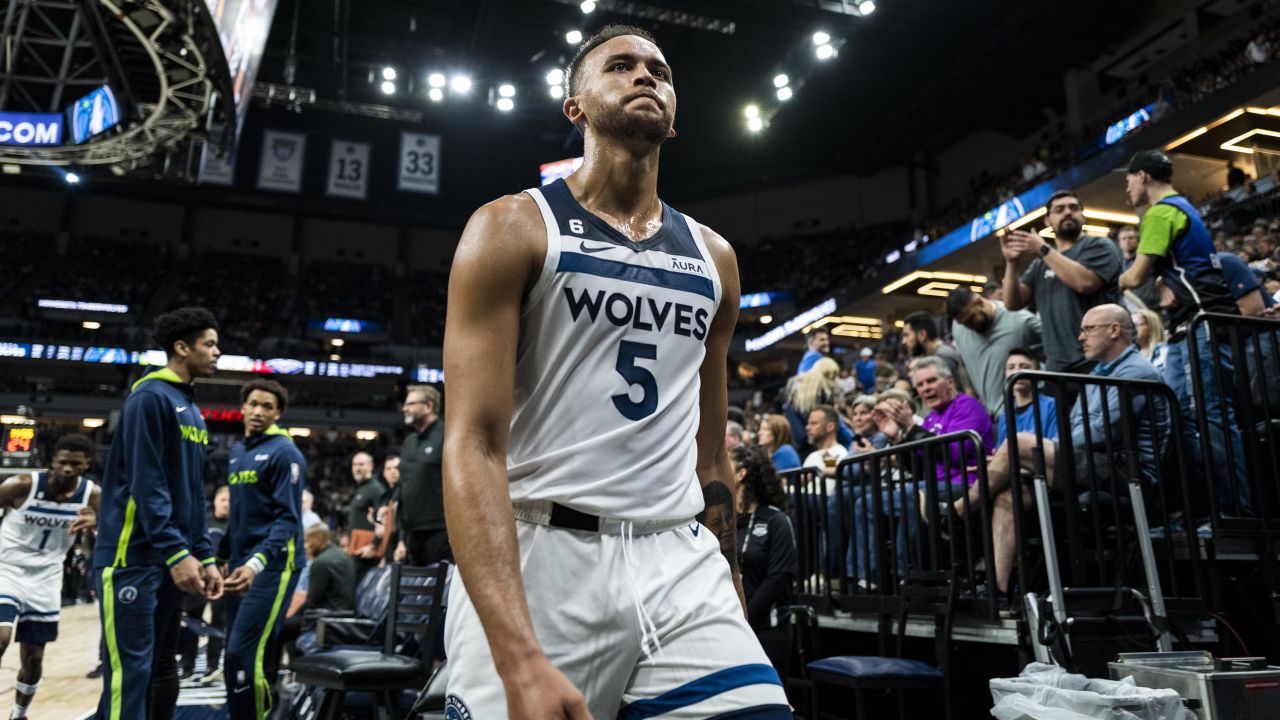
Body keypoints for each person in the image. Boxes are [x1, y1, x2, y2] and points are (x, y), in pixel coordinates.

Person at [441, 25, 790, 719]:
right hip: (541, 554)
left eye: (659, 70)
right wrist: (517, 654)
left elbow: (710, 448)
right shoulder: (512, 227)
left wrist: (727, 582)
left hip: (678, 560)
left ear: (675, 110)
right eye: (621, 66)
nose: (646, 77)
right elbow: (473, 443)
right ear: (574, 107)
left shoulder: (714, 258)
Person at [952, 305, 1167, 596]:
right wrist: (1042, 454)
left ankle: (958, 511)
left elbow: (1101, 432)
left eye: (1088, 329)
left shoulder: (1137, 372)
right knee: (1010, 492)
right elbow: (1075, 428)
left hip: (1126, 473)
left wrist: (1042, 451)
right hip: (1091, 464)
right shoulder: (1098, 373)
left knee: (1022, 442)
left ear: (1115, 330)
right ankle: (997, 590)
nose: (1080, 337)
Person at [93, 307, 225, 720]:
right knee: (129, 676)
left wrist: (203, 555)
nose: (218, 352)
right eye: (210, 344)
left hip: (170, 560)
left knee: (154, 670)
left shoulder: (191, 407)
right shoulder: (150, 396)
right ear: (181, 348)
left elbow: (191, 493)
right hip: (132, 557)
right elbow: (146, 484)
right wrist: (176, 552)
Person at [1118, 149, 1249, 516]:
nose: (1126, 187)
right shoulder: (1182, 209)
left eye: (1128, 178)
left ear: (1142, 176)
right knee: (1185, 419)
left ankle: (1234, 512)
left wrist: (1122, 276)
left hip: (1202, 322)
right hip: (1188, 325)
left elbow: (1135, 276)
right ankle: (1203, 510)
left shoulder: (1161, 212)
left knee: (1212, 416)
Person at [221, 379, 307, 720]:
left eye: (267, 407)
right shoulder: (238, 452)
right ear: (242, 407)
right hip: (240, 564)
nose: (258, 411)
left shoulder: (286, 453)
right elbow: (237, 517)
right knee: (238, 655)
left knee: (243, 654)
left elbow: (288, 521)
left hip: (273, 565)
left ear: (278, 413)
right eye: (253, 404)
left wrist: (256, 563)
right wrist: (219, 560)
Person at [0, 434, 99, 719]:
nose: (68, 468)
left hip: (47, 578)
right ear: (51, 463)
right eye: (63, 462)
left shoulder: (92, 496)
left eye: (75, 464)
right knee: (1, 638)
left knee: (33, 657)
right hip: (8, 570)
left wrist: (94, 526)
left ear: (86, 465)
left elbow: (98, 545)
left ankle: (19, 713)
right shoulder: (22, 485)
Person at [1002, 190, 1124, 374]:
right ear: (1047, 221)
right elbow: (1012, 303)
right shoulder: (1039, 265)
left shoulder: (1099, 246)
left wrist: (1042, 249)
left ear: (1082, 217)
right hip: (1058, 368)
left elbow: (1084, 282)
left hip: (1098, 362)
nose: (1067, 212)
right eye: (1059, 209)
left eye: (1073, 208)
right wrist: (1011, 263)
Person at [731, 446, 797, 679]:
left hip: (768, 630)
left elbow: (778, 579)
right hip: (731, 630)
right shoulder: (725, 523)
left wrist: (744, 617)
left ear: (741, 474)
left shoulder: (775, 520)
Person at [947, 286, 1043, 416]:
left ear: (979, 302)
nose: (968, 326)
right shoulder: (958, 327)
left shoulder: (1020, 321)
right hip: (991, 418)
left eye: (971, 319)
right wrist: (971, 397)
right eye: (963, 323)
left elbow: (1055, 349)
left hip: (1027, 413)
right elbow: (963, 364)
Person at [178, 485, 229, 685]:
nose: (227, 504)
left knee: (218, 623)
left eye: (230, 501)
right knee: (192, 622)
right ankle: (187, 665)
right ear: (215, 501)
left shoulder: (235, 525)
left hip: (223, 583)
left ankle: (213, 665)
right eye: (223, 499)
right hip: (198, 580)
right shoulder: (201, 522)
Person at [394, 383, 450, 566]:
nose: (404, 408)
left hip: (439, 529)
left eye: (410, 404)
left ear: (428, 406)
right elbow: (404, 483)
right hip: (412, 532)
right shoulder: (409, 441)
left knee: (436, 589)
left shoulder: (446, 435)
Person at [784, 357, 853, 454]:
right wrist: (853, 439)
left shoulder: (795, 395)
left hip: (801, 447)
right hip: (818, 446)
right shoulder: (825, 392)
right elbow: (834, 421)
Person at [996, 349, 1058, 447]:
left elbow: (1054, 449)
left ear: (1037, 373)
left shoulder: (1051, 406)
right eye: (1011, 367)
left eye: (1024, 367)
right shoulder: (1004, 416)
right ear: (1005, 375)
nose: (1016, 371)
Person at [901, 311, 971, 393]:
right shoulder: (934, 356)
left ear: (922, 334)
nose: (903, 341)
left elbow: (955, 395)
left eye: (906, 335)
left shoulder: (943, 356)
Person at [346, 451, 384, 574]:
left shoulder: (376, 489)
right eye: (355, 465)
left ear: (370, 466)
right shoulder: (362, 488)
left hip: (366, 552)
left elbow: (382, 520)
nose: (357, 468)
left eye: (361, 464)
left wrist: (373, 545)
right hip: (357, 548)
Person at [1117, 224, 1159, 310]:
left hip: (1150, 308)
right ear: (1119, 243)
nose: (1127, 241)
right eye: (1124, 239)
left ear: (1138, 241)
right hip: (1125, 308)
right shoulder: (1117, 263)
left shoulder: (1148, 260)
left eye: (1131, 238)